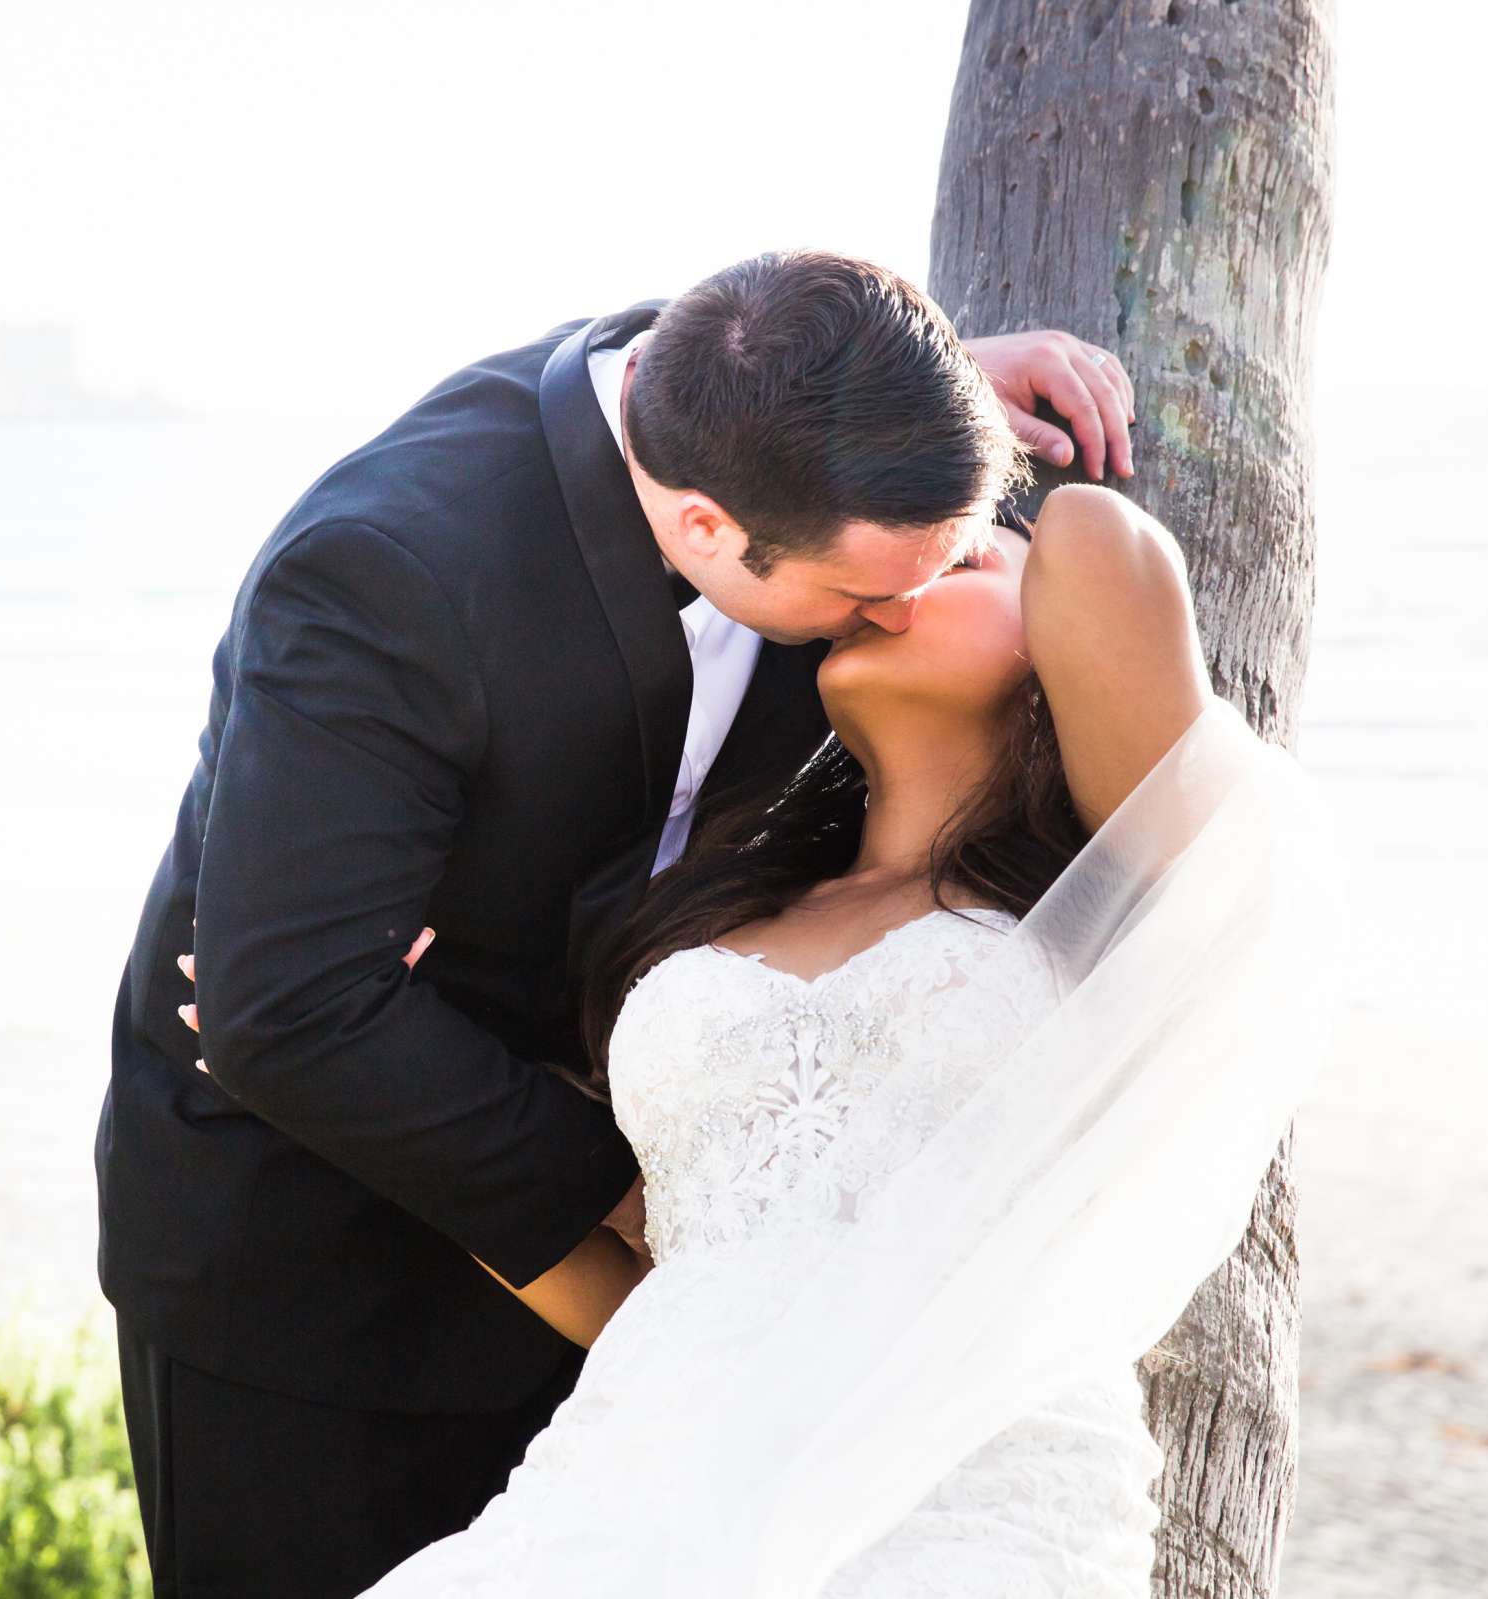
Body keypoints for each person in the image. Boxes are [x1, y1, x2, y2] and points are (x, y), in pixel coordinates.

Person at [95, 250, 1139, 1598]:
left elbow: (788, 371)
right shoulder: (387, 568)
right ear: (708, 527)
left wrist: (929, 407)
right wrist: (698, 1196)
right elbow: (285, 1012)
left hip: (642, 1343)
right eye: (862, 593)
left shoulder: (770, 433)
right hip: (316, 1287)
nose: (901, 613)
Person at [185, 484, 1341, 1595]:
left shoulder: (1114, 908)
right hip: (639, 1480)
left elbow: (1095, 539)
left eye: (964, 560)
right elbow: (672, 1287)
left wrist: (928, 462)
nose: (907, 585)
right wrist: (355, 1068)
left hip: (959, 1503)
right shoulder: (711, 916)